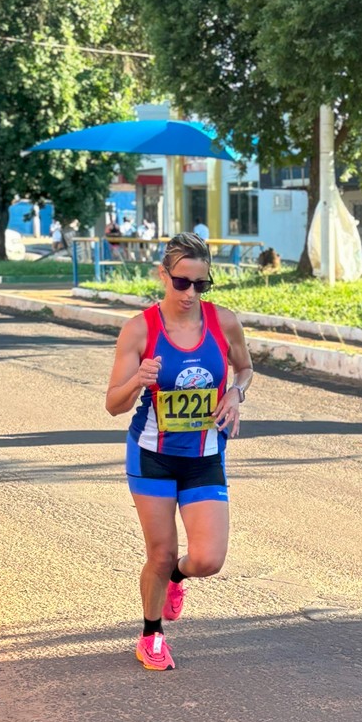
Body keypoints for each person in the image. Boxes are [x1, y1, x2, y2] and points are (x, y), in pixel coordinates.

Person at [104, 232, 253, 670]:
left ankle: (176, 579)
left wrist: (235, 395)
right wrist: (137, 381)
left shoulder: (224, 323)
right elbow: (113, 404)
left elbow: (244, 369)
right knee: (161, 551)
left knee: (207, 559)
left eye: (201, 284)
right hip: (152, 454)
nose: (190, 293)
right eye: (182, 282)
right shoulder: (139, 329)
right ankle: (151, 634)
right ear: (163, 275)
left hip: (205, 454)